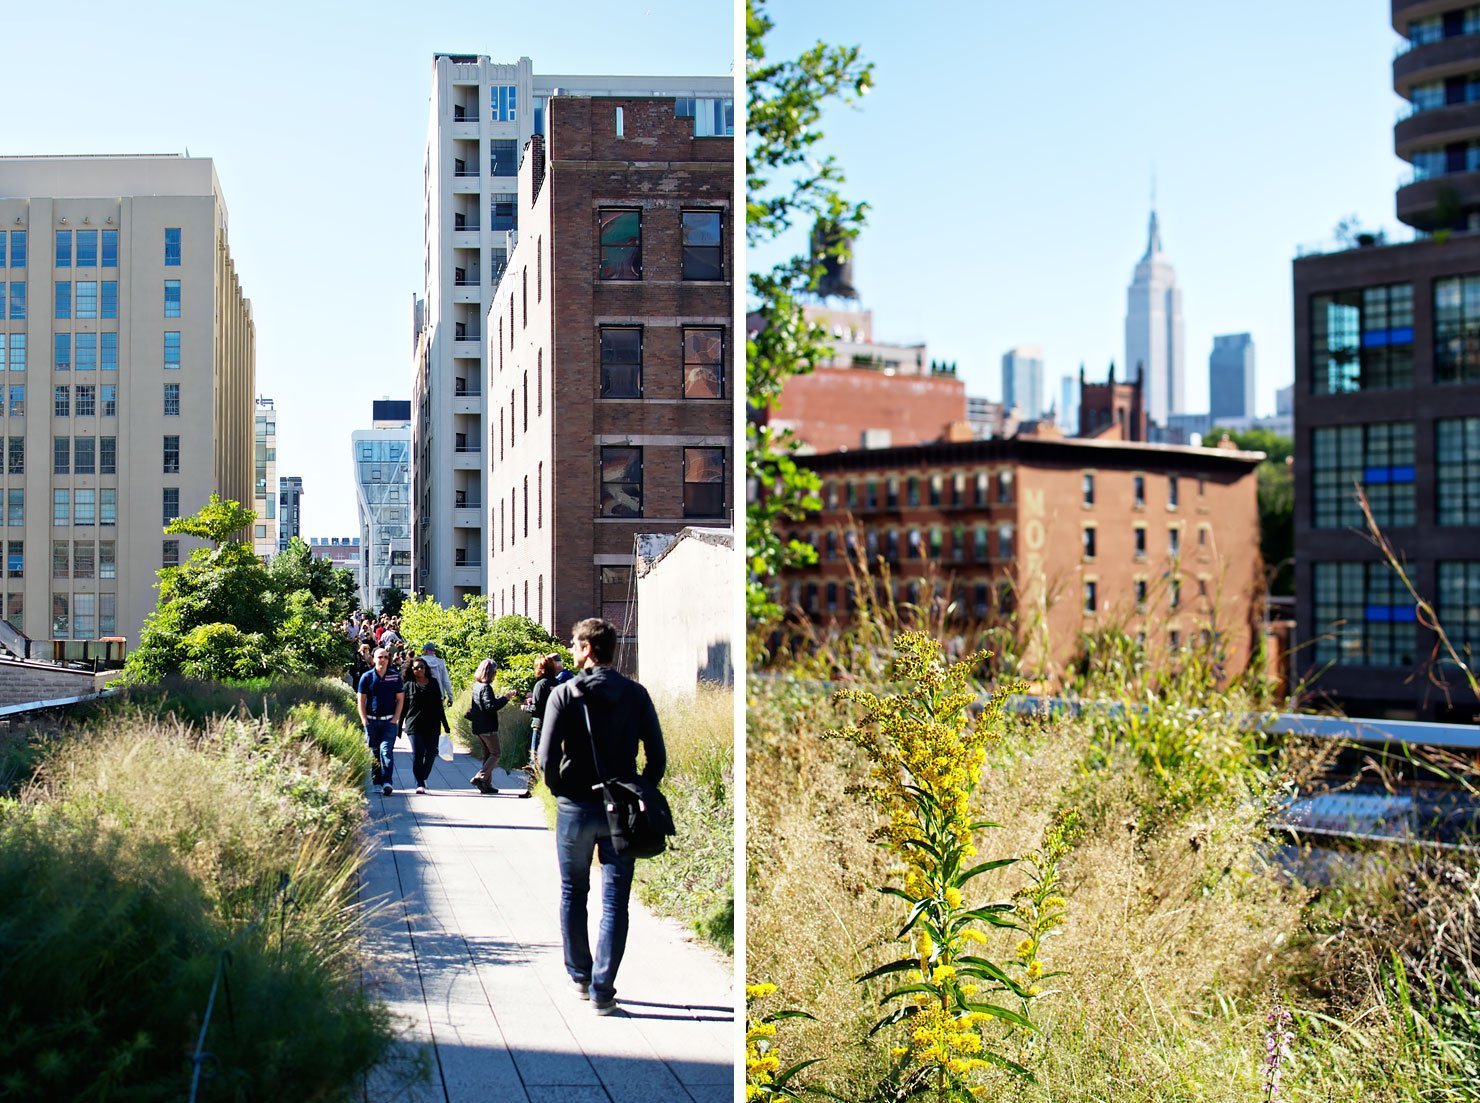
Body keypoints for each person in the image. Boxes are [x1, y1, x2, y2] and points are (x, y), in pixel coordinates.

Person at [538, 618, 665, 1016]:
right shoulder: (636, 694)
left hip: (576, 807)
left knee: (574, 891)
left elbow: (545, 758)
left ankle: (579, 975)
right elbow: (657, 757)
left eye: (575, 645)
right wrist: (637, 787)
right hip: (621, 807)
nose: (572, 650)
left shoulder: (564, 694)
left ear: (587, 649)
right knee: (616, 901)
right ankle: (603, 989)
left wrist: (562, 792)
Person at [402, 655, 451, 795]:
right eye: (416, 668)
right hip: (414, 725)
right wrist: (398, 725)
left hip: (432, 724)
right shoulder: (408, 685)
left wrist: (445, 724)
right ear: (411, 670)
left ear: (426, 669)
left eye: (421, 667)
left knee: (431, 754)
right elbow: (403, 707)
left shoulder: (434, 683)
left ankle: (422, 776)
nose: (419, 670)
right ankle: (419, 783)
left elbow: (439, 706)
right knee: (418, 753)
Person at [357, 647, 404, 796]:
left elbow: (400, 699)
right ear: (373, 659)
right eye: (380, 657)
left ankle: (387, 782)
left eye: (385, 657)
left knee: (386, 751)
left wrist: (395, 719)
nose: (382, 660)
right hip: (371, 721)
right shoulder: (367, 677)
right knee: (374, 753)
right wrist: (364, 720)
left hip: (388, 722)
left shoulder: (394, 677)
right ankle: (376, 781)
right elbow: (361, 700)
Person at [466, 658, 512, 794]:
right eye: (495, 672)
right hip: (488, 727)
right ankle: (480, 777)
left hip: (479, 727)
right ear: (490, 672)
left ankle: (486, 785)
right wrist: (506, 698)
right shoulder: (486, 687)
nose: (495, 675)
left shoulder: (476, 686)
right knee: (496, 753)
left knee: (488, 755)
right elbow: (491, 706)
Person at [527, 653, 571, 762]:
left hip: (539, 724)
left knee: (535, 757)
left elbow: (536, 708)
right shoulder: (557, 682)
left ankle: (533, 776)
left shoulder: (540, 684)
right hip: (553, 724)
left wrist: (525, 707)